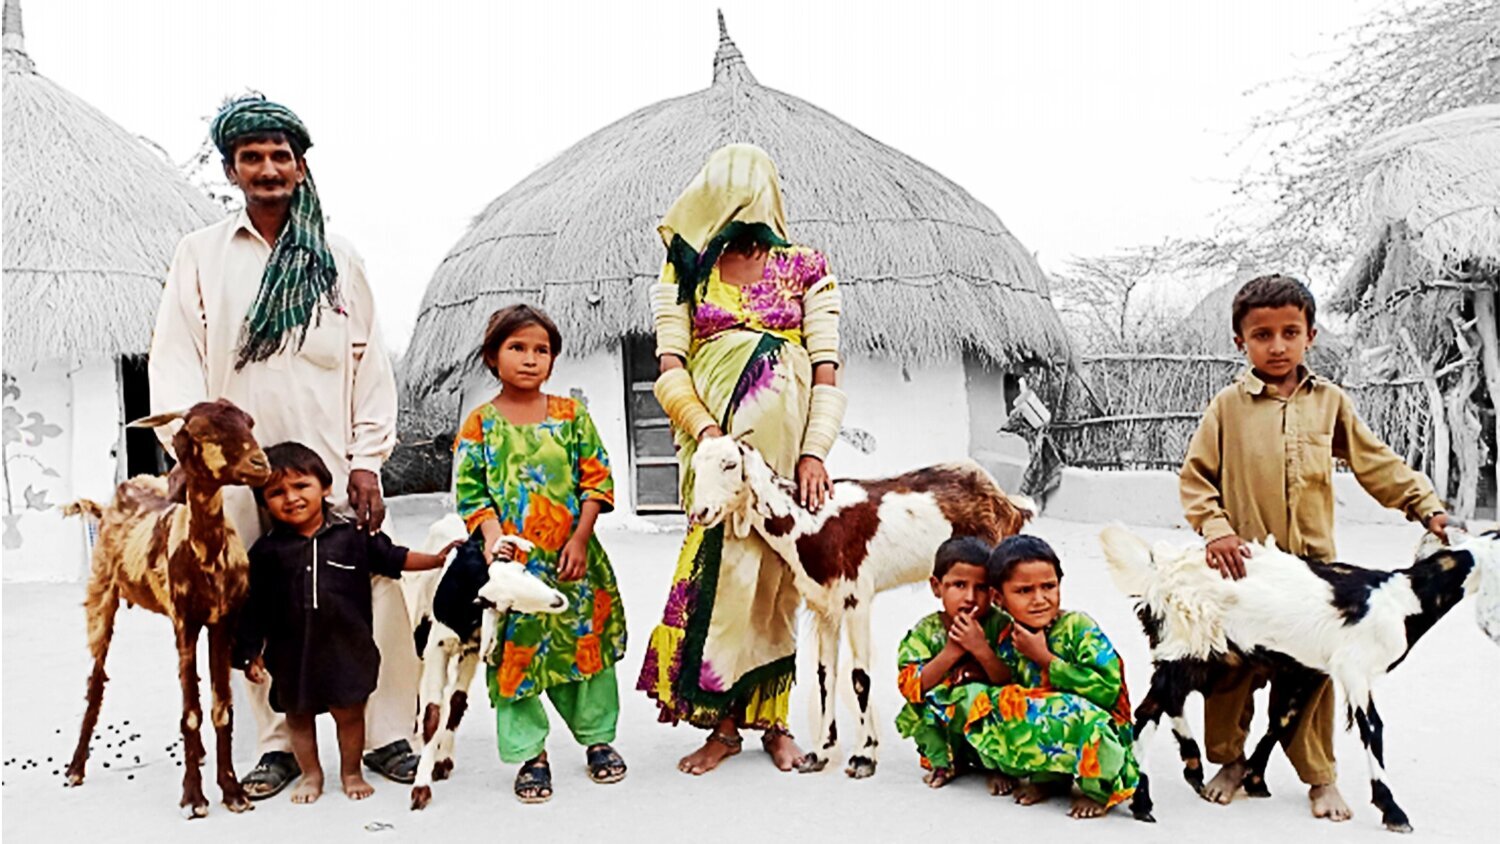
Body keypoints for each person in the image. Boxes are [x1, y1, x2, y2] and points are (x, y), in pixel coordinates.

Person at [148, 95, 420, 798]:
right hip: (238, 472)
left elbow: (367, 362)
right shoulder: (200, 255)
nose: (268, 169)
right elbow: (175, 359)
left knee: (370, 587)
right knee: (250, 597)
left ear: (301, 167)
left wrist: (366, 462)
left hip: (326, 463)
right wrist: (193, 459)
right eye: (252, 158)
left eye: (281, 156)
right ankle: (277, 745)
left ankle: (387, 733)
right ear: (231, 171)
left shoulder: (337, 257)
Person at [1180, 274, 1450, 821]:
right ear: (1240, 341)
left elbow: (1376, 463)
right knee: (1231, 670)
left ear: (1311, 336)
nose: (1277, 346)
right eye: (1262, 335)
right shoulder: (1227, 408)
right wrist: (1218, 529)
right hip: (1247, 570)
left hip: (1315, 577)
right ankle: (1231, 761)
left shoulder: (1330, 403)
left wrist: (1426, 507)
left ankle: (1319, 777)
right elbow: (1196, 479)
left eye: (1290, 332)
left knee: (1316, 675)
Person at [635, 144, 847, 775]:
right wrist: (707, 435)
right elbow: (669, 368)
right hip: (715, 461)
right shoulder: (685, 272)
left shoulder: (807, 267)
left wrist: (813, 454)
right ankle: (724, 728)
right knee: (722, 583)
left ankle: (775, 724)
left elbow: (827, 369)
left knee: (778, 586)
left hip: (783, 466)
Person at [452, 304, 628, 804]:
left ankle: (597, 740)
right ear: (492, 356)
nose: (530, 359)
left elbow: (597, 480)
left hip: (574, 561)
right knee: (516, 655)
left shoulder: (572, 416)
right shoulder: (480, 425)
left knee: (585, 647)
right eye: (518, 348)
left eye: (541, 350)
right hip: (514, 569)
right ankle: (532, 754)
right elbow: (472, 493)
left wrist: (580, 538)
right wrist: (493, 542)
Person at [233, 444, 456, 803]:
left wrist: (436, 560)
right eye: (276, 493)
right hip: (291, 657)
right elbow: (253, 607)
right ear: (263, 504)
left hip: (347, 650)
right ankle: (311, 775)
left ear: (325, 487)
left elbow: (394, 558)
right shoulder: (265, 553)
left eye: (301, 486)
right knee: (298, 718)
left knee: (350, 716)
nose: (291, 498)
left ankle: (351, 772)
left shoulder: (353, 536)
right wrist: (249, 652)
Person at [955, 535, 1140, 819]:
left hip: (1099, 731)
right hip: (1053, 732)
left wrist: (1045, 659)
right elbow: (1016, 694)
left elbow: (1107, 690)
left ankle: (1098, 791)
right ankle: (1048, 778)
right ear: (998, 598)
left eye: (1048, 586)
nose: (1039, 599)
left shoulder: (1077, 627)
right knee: (982, 701)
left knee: (1074, 713)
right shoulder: (1009, 636)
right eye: (1024, 590)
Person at [894, 536, 1011, 789]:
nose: (970, 597)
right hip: (945, 727)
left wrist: (981, 650)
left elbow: (1010, 678)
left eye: (981, 588)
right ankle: (944, 764)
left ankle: (996, 767)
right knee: (924, 709)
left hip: (988, 722)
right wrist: (952, 651)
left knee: (983, 696)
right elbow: (911, 686)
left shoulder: (1000, 625)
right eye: (959, 585)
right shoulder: (926, 632)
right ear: (937, 587)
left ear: (993, 592)